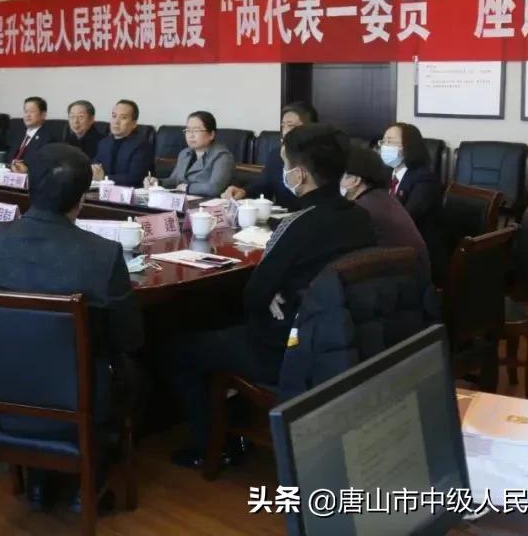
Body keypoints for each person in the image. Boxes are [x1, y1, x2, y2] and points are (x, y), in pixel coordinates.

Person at [170, 124, 375, 468]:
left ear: (300, 174)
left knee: (180, 349)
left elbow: (253, 296)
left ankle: (211, 446)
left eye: (285, 164)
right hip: (339, 336)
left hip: (287, 349)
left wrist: (281, 295)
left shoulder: (298, 223)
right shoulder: (361, 217)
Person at [0, 143, 144, 509]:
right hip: (76, 399)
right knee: (129, 371)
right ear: (82, 198)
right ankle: (90, 477)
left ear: (27, 186)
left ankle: (40, 479)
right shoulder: (102, 253)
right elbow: (130, 337)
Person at [340, 147, 431, 277]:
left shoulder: (363, 209)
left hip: (404, 282)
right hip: (412, 278)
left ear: (354, 180)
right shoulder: (380, 197)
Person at [380, 122, 446, 284]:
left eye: (390, 141)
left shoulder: (425, 179)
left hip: (417, 251)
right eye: (383, 141)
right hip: (392, 244)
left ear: (408, 146)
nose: (384, 146)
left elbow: (407, 218)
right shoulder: (385, 174)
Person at [221, 101, 318, 209]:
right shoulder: (276, 154)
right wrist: (243, 192)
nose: (285, 131)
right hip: (284, 215)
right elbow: (263, 185)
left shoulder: (321, 156)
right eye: (283, 126)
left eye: (291, 126)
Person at [147, 111, 234, 197]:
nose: (191, 135)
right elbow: (175, 180)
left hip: (206, 203)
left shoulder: (222, 156)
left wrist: (187, 188)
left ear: (211, 134)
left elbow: (214, 188)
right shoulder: (185, 153)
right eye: (188, 130)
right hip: (182, 200)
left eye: (196, 130)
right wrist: (158, 182)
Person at [92, 100, 152, 188]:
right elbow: (95, 167)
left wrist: (104, 178)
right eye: (114, 116)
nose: (116, 121)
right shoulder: (104, 143)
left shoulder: (141, 145)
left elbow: (136, 178)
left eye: (123, 118)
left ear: (134, 124)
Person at [6, 96, 59, 173]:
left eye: (32, 111)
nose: (28, 115)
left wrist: (28, 170)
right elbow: (8, 158)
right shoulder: (17, 133)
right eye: (26, 111)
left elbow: (46, 167)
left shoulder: (48, 138)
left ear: (43, 115)